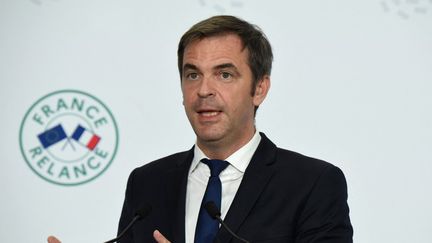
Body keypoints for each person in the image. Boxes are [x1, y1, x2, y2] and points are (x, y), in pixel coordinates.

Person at [48, 15, 353, 243]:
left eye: (224, 75)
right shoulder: (147, 183)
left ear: (259, 88)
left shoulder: (313, 183)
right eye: (192, 75)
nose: (204, 90)